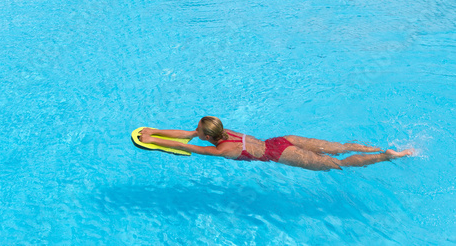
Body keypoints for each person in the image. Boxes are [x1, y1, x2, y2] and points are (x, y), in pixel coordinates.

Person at [139, 116, 413, 171]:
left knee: (338, 165)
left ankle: (387, 156)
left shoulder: (221, 149)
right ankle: (378, 147)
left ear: (208, 136)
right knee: (340, 146)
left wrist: (154, 140)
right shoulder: (225, 131)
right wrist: (155, 131)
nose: (194, 131)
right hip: (283, 139)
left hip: (281, 154)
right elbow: (187, 134)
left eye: (198, 130)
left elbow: (188, 145)